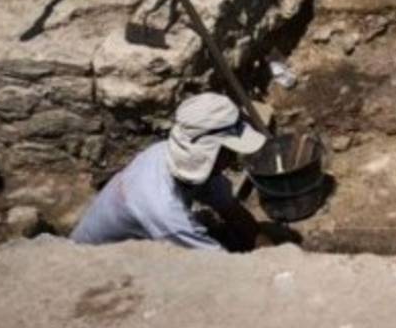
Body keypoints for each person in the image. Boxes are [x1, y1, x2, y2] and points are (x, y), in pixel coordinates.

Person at [70, 92, 266, 251]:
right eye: (230, 152)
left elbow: (231, 210)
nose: (234, 159)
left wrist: (263, 242)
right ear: (210, 152)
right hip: (94, 261)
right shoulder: (168, 215)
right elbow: (221, 266)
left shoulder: (176, 155)